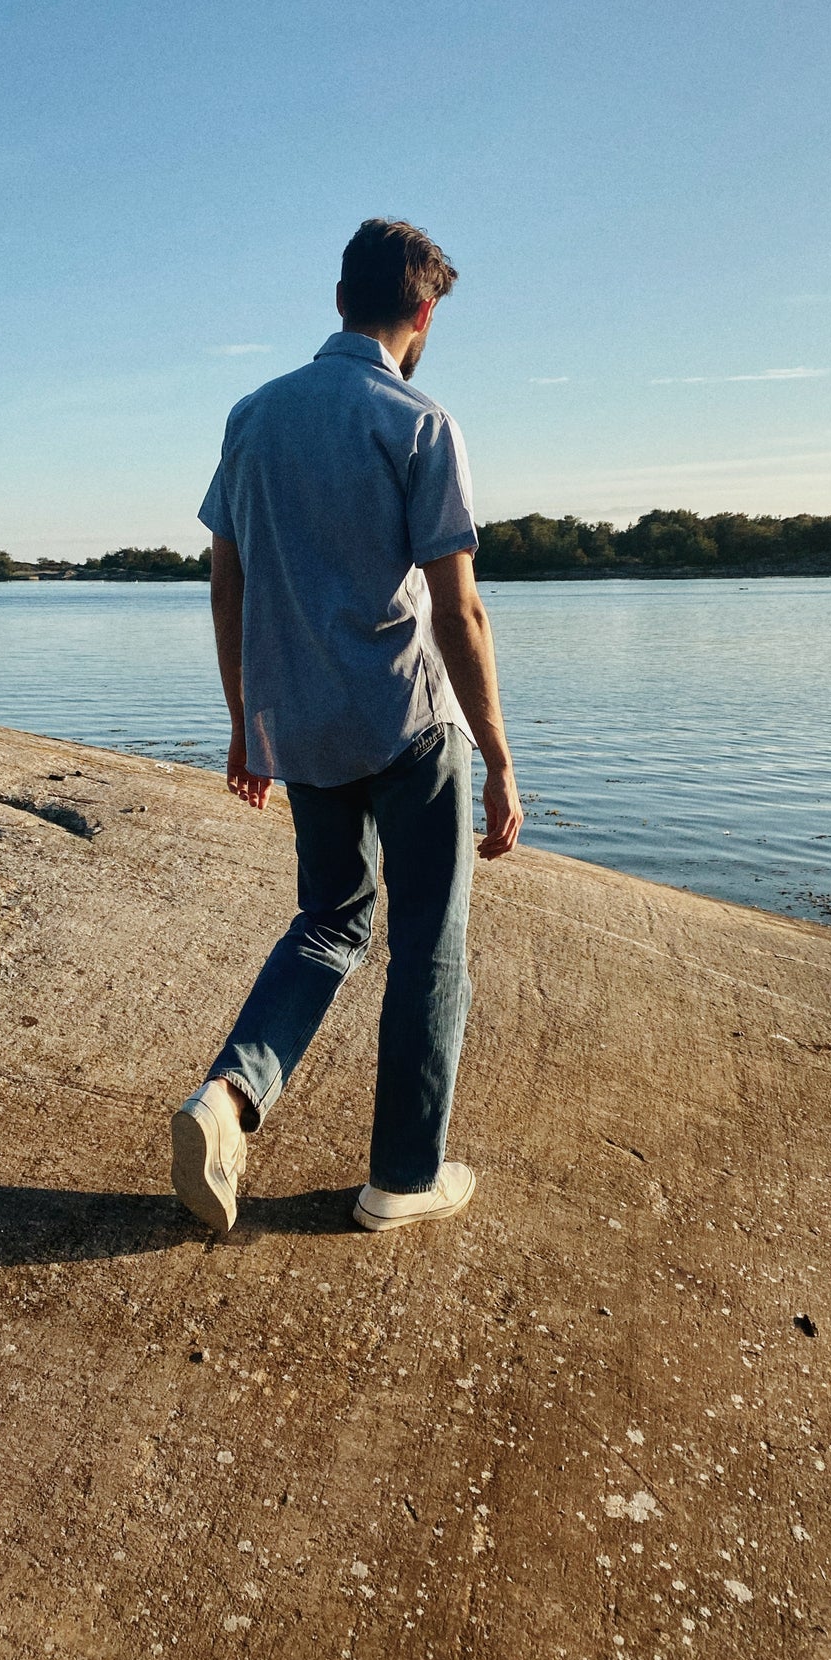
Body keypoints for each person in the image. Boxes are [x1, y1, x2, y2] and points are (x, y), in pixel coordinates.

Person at [171, 218, 523, 1236]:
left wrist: (248, 725)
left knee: (329, 921)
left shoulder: (253, 415)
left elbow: (226, 584)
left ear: (336, 299)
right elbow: (456, 611)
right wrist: (497, 756)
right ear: (421, 313)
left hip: (306, 727)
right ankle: (401, 1176)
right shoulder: (419, 422)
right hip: (409, 725)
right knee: (425, 945)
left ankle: (227, 1099)